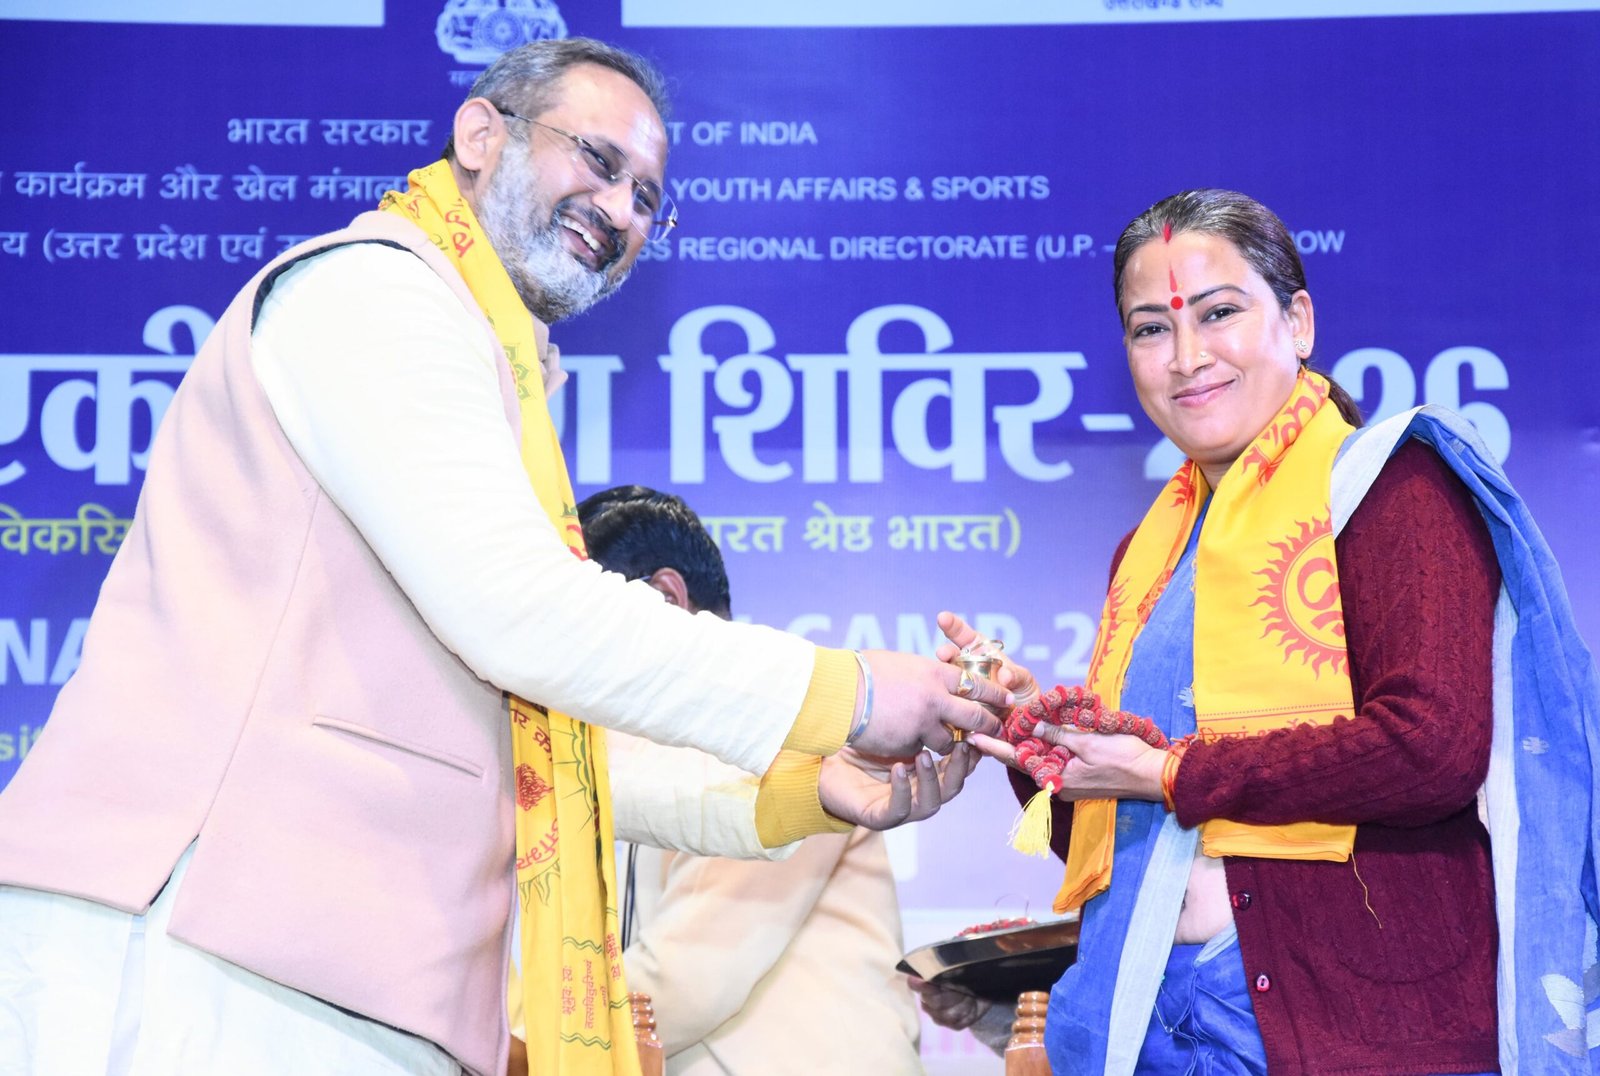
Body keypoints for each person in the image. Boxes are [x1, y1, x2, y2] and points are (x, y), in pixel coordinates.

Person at [0, 38, 1003, 1076]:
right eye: (599, 161)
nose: (620, 211)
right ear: (480, 135)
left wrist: (801, 785)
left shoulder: (491, 370)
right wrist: (848, 692)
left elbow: (542, 754)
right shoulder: (377, 291)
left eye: (647, 198)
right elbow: (522, 612)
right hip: (195, 945)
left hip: (321, 968)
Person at [927, 189, 1599, 1074]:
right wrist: (1041, 741)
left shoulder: (1389, 489)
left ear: (1299, 321)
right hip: (1154, 1014)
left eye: (1219, 313)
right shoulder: (1152, 553)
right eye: (1151, 329)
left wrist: (1171, 771)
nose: (1187, 356)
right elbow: (1130, 843)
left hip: (1354, 1024)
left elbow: (1431, 747)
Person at [556, 484, 920, 1075]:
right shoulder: (635, 748)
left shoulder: (783, 719)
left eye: (585, 628)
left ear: (665, 597)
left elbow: (689, 978)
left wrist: (517, 1045)